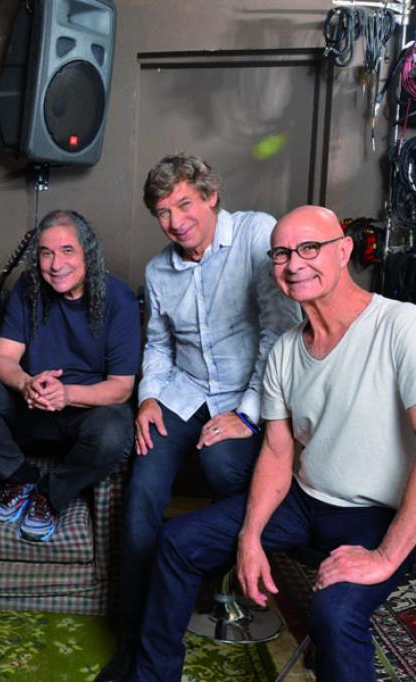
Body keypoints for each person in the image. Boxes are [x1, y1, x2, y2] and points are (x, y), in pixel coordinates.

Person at [133, 205, 416, 681]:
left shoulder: (401, 325)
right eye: (282, 254)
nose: (294, 264)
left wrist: (384, 557)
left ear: (344, 251)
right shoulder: (286, 350)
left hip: (379, 513)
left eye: (310, 248)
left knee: (335, 613)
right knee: (178, 541)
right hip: (307, 500)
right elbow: (276, 451)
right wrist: (250, 537)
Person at [98, 154, 302, 681]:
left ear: (211, 197)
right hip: (183, 391)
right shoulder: (157, 270)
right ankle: (135, 636)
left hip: (247, 389)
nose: (175, 221)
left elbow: (279, 335)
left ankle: (211, 578)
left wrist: (248, 415)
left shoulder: (256, 236)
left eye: (185, 204)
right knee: (142, 487)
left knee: (222, 466)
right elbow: (159, 345)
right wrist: (148, 397)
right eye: (163, 212)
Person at [0, 210, 139, 542]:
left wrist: (66, 394)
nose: (56, 264)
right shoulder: (29, 287)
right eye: (46, 253)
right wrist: (26, 383)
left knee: (115, 432)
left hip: (85, 414)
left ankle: (50, 495)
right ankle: (19, 477)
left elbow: (121, 388)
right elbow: (4, 358)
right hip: (31, 405)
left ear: (87, 253)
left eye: (67, 251)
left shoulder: (118, 297)